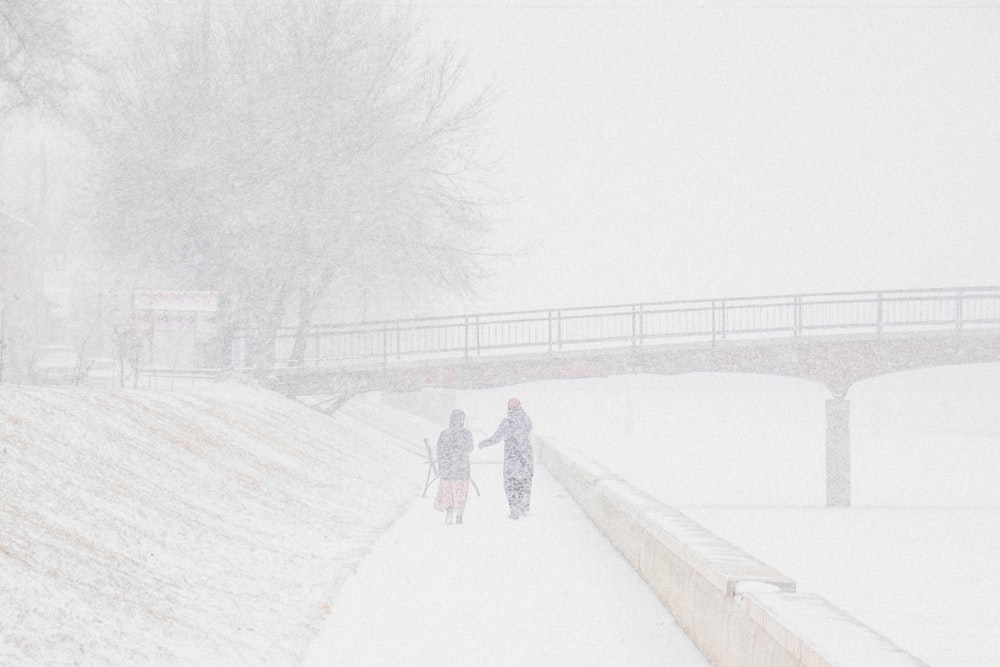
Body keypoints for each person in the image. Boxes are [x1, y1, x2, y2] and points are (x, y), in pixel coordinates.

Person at [479, 397, 533, 520]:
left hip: (512, 459)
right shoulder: (526, 420)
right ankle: (523, 505)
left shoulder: (507, 422)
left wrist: (484, 443)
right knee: (524, 482)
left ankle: (514, 507)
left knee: (510, 483)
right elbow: (529, 430)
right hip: (525, 458)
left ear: (509, 409)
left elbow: (497, 438)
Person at [434, 409, 474, 525]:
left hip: (449, 470)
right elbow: (469, 448)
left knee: (449, 492)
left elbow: (440, 452)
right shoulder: (466, 434)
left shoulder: (445, 434)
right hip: (461, 469)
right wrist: (459, 452)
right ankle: (458, 514)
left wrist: (442, 466)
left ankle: (451, 513)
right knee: (460, 492)